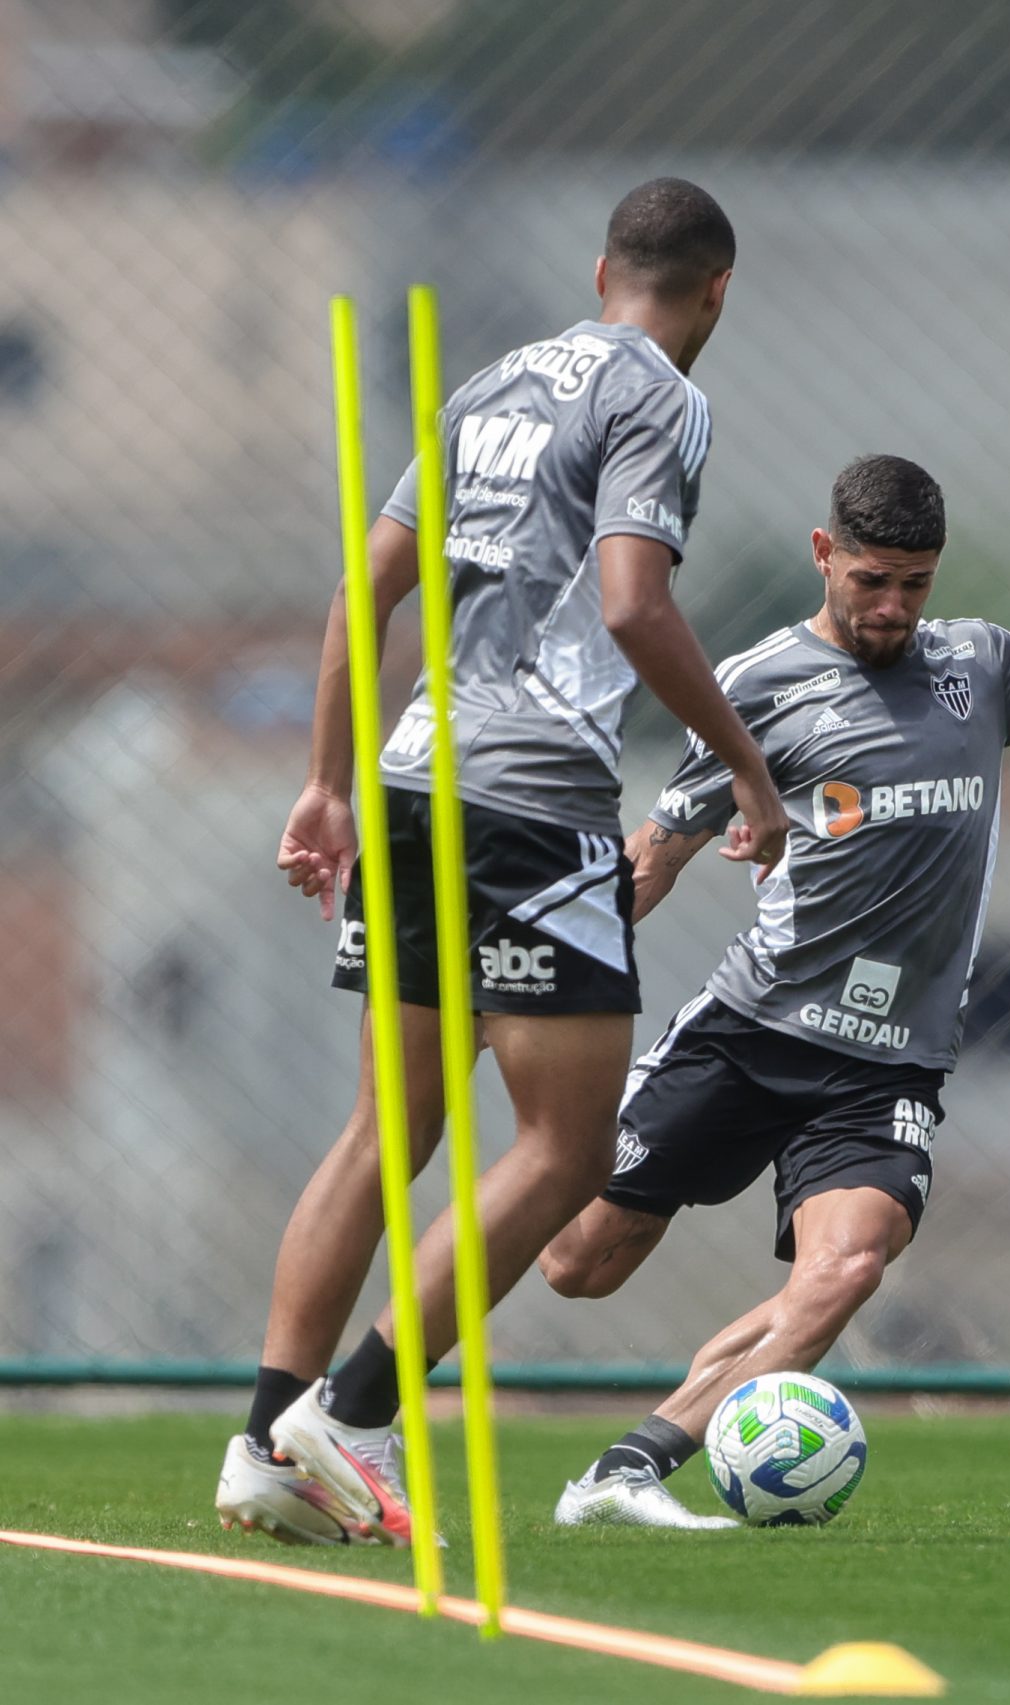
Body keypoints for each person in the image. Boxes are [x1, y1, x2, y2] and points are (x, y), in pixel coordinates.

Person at [533, 442, 1010, 1527]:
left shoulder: (978, 666)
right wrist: (540, 969)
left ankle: (631, 1467)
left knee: (847, 1268)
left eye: (914, 584)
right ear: (825, 554)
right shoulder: (758, 684)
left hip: (890, 1064)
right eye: (871, 579)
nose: (892, 606)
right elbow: (660, 850)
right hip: (750, 1026)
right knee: (577, 1262)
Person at [215, 179, 789, 1547]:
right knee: (570, 1141)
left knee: (388, 1130)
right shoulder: (661, 394)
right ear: (716, 291)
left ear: (603, 271)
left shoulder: (493, 383)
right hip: (532, 801)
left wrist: (325, 783)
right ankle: (351, 1417)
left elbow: (372, 584)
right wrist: (746, 768)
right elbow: (635, 603)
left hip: (413, 781)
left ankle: (261, 1445)